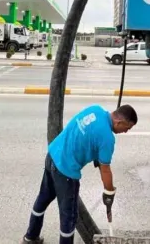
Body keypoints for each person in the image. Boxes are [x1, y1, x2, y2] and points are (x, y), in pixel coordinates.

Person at [21, 104, 138, 244]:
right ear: (119, 122)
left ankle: (30, 237)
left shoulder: (95, 110)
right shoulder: (107, 138)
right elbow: (105, 169)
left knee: (42, 200)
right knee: (69, 218)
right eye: (127, 128)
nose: (126, 132)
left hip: (53, 155)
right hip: (66, 172)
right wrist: (109, 192)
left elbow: (88, 134)